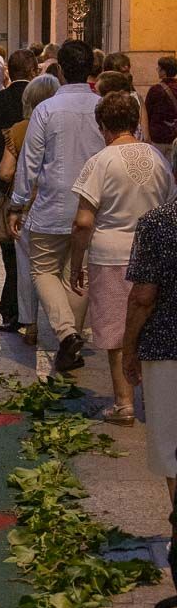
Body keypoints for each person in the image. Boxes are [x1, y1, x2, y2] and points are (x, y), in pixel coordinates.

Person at [69, 92, 175, 424]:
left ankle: (124, 403)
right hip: (155, 254)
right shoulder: (158, 157)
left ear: (103, 126)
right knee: (151, 327)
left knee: (116, 331)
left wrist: (76, 262)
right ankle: (155, 402)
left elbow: (84, 221)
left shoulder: (99, 162)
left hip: (111, 254)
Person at [8, 40, 105, 372]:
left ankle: (66, 335)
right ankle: (71, 340)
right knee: (78, 274)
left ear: (60, 70)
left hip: (53, 204)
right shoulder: (102, 106)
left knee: (43, 270)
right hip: (93, 206)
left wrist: (17, 204)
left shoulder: (45, 110)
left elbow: (29, 163)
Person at [123, 191, 177, 513]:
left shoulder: (158, 222)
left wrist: (129, 349)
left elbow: (143, 297)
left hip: (166, 347)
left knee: (171, 448)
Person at [0, 49, 39, 331]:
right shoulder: (44, 102)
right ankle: (28, 309)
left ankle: (12, 308)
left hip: (4, 187)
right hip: (39, 188)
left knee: (9, 250)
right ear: (34, 70)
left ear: (7, 73)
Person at [0, 74, 61, 347]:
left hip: (28, 206)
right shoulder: (64, 125)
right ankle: (67, 328)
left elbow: (5, 171)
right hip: (60, 202)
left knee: (27, 267)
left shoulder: (20, 129)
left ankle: (30, 324)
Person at [144, 56, 177, 156]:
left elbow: (147, 113)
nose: (157, 70)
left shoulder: (155, 90)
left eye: (159, 68)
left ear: (163, 71)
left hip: (158, 137)